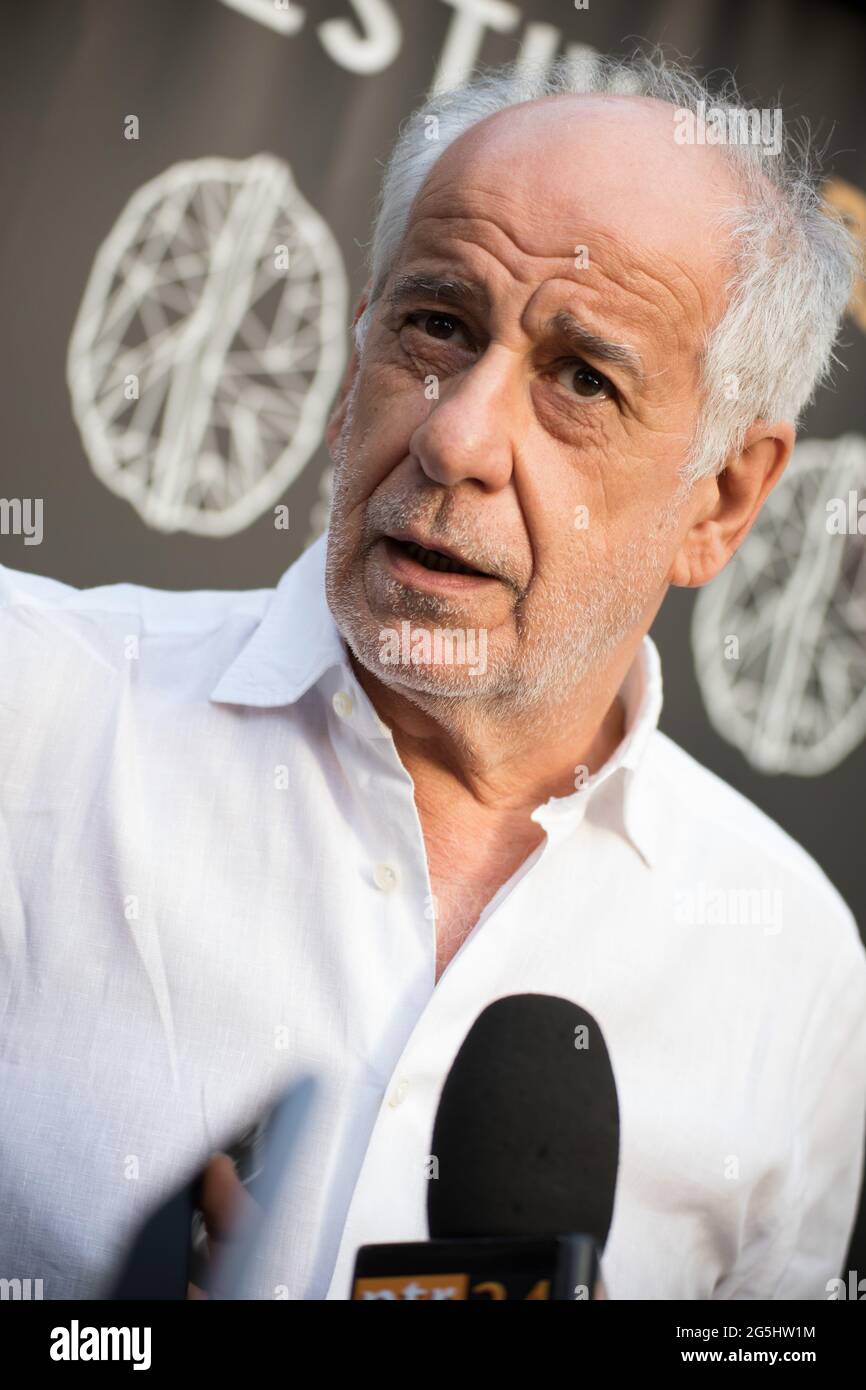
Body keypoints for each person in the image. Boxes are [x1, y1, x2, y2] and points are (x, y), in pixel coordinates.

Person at [1, 53, 864, 1302]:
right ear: (359, 352)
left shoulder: (793, 968)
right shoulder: (31, 709)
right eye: (437, 325)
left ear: (721, 499)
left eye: (581, 379)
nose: (454, 436)